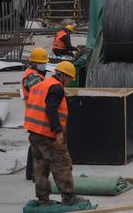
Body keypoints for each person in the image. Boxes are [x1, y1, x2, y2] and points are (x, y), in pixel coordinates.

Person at [24, 61, 87, 206]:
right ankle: (68, 197)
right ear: (63, 75)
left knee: (41, 167)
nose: (70, 81)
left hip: (35, 133)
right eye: (70, 78)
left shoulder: (42, 85)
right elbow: (51, 109)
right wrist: (58, 131)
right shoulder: (57, 88)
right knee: (61, 164)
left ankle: (43, 199)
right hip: (48, 135)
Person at [22, 47, 49, 181]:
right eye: (42, 63)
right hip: (35, 116)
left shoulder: (36, 75)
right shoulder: (32, 77)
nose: (44, 65)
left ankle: (32, 173)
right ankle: (34, 174)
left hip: (35, 115)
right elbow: (42, 92)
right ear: (34, 63)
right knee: (37, 146)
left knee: (35, 145)